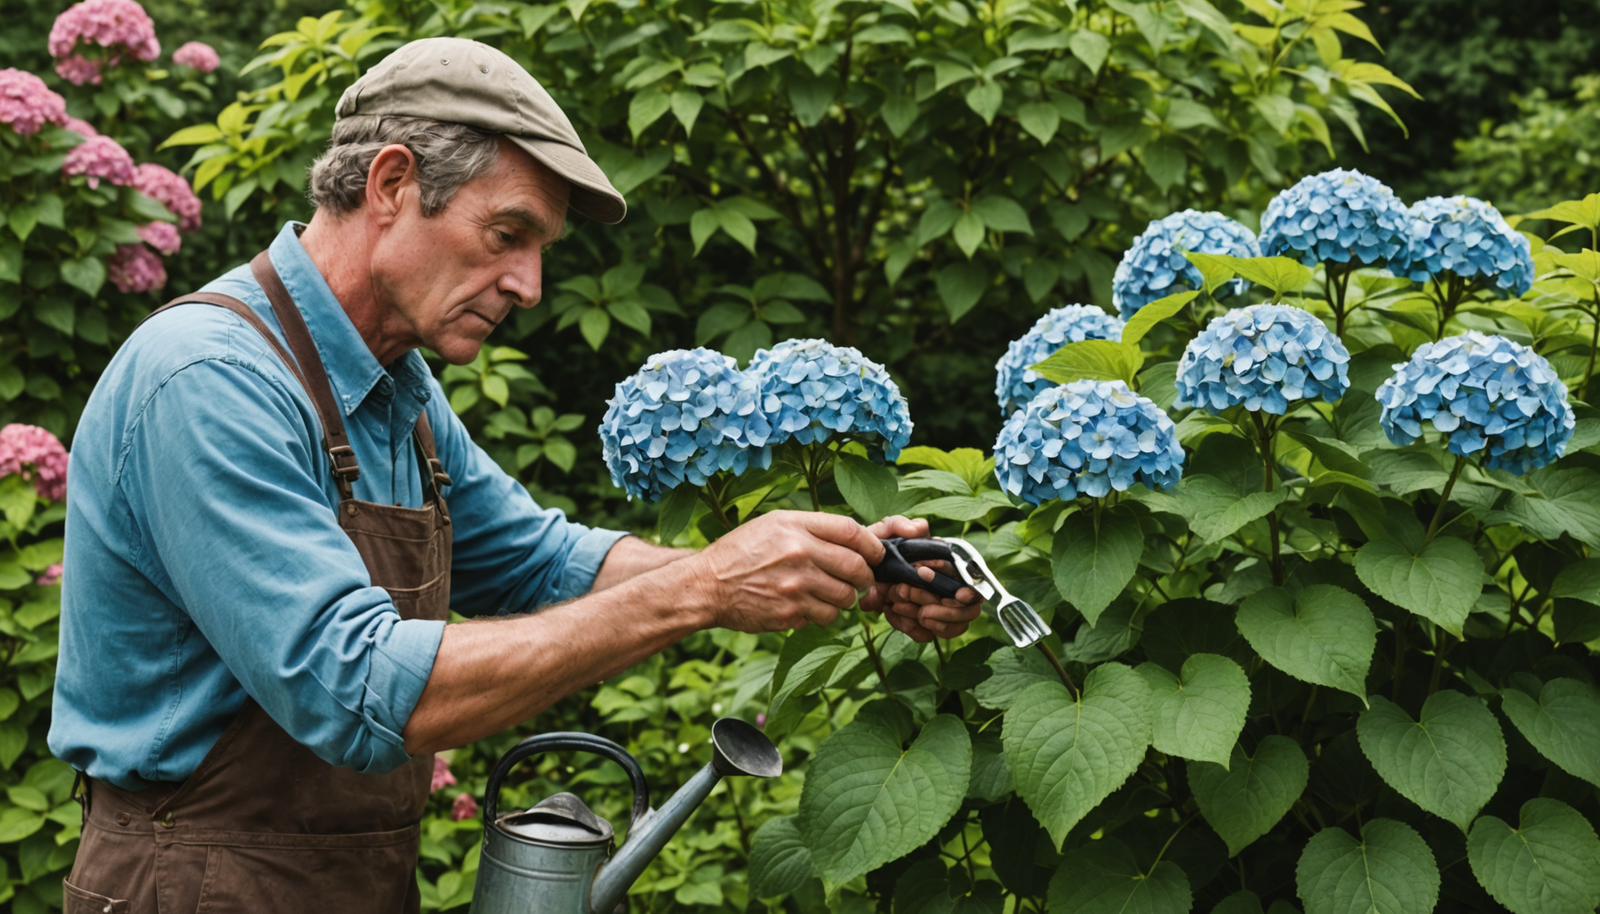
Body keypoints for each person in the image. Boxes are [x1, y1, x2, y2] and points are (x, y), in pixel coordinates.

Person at [49, 36, 981, 912]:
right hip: (192, 882)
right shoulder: (210, 378)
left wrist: (831, 566)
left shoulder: (394, 387)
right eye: (507, 234)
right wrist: (702, 587)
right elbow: (356, 686)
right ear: (392, 184)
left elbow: (543, 562)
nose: (529, 286)